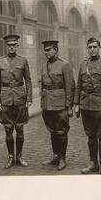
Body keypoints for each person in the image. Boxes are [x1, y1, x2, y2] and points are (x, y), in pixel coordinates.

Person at [74, 37, 101, 175]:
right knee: (90, 136)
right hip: (86, 105)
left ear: (99, 48)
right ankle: (93, 163)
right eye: (90, 47)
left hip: (100, 105)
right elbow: (78, 86)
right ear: (87, 49)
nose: (92, 49)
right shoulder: (83, 65)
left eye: (94, 47)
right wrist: (76, 103)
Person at [0, 34, 32, 169]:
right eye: (9, 45)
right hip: (5, 99)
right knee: (8, 129)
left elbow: (28, 80)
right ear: (6, 46)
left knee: (20, 128)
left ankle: (19, 156)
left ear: (17, 46)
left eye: (13, 45)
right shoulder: (0, 61)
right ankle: (11, 157)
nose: (11, 47)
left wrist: (29, 98)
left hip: (20, 98)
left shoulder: (23, 61)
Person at [39, 40, 75, 171]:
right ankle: (55, 156)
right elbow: (42, 84)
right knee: (52, 131)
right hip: (47, 104)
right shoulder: (44, 66)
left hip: (60, 105)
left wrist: (69, 106)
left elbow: (70, 86)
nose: (46, 52)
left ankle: (62, 158)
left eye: (48, 50)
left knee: (61, 132)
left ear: (56, 50)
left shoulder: (64, 65)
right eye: (45, 50)